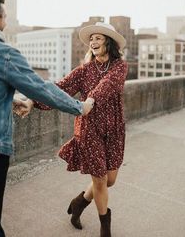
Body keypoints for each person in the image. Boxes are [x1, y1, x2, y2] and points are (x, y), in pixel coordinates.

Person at [0, 0, 94, 237]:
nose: (6, 21)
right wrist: (80, 107)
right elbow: (41, 88)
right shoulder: (1, 53)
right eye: (5, 16)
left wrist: (9, 97)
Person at [17, 22, 128, 237]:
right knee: (99, 179)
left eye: (98, 37)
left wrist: (91, 99)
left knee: (110, 180)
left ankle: (79, 203)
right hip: (89, 129)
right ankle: (106, 229)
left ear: (109, 41)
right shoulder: (84, 70)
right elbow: (59, 89)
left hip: (114, 129)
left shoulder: (120, 66)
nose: (93, 42)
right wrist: (32, 101)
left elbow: (108, 83)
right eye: (91, 39)